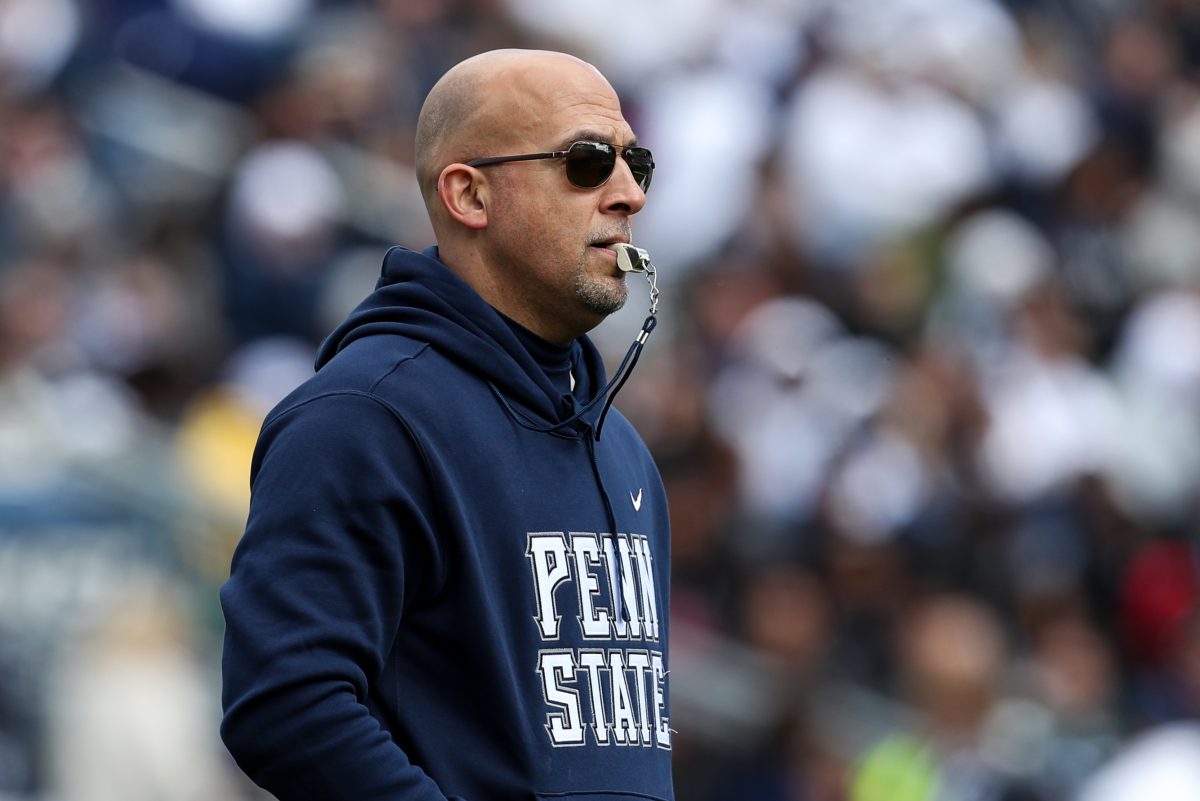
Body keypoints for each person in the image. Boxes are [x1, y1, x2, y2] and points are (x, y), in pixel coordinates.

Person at [219, 48, 674, 801]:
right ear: (469, 194)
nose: (628, 194)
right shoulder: (363, 417)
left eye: (638, 163)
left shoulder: (623, 450)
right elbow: (286, 702)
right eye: (589, 161)